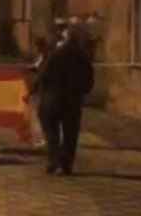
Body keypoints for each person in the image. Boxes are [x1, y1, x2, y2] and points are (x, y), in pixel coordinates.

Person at [30, 26, 94, 175]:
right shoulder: (83, 57)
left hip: (52, 99)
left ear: (64, 39)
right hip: (73, 100)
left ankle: (53, 160)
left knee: (51, 131)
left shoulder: (55, 54)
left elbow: (43, 74)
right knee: (71, 133)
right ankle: (66, 164)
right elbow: (89, 80)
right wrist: (82, 92)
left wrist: (32, 89)